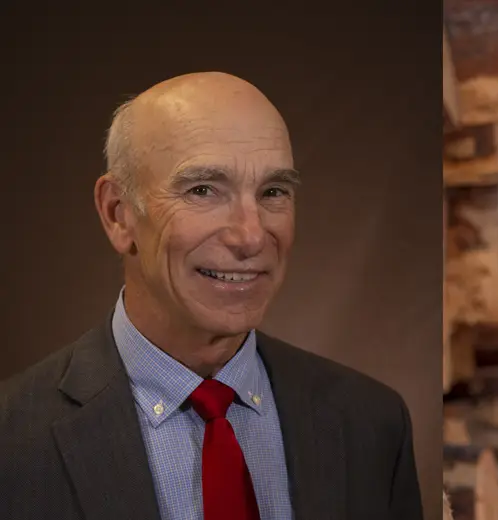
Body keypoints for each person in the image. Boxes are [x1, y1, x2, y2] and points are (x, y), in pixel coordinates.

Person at [0, 72, 423, 520]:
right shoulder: (14, 441)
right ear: (118, 214)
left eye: (273, 191)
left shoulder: (372, 424)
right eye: (203, 190)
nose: (251, 235)